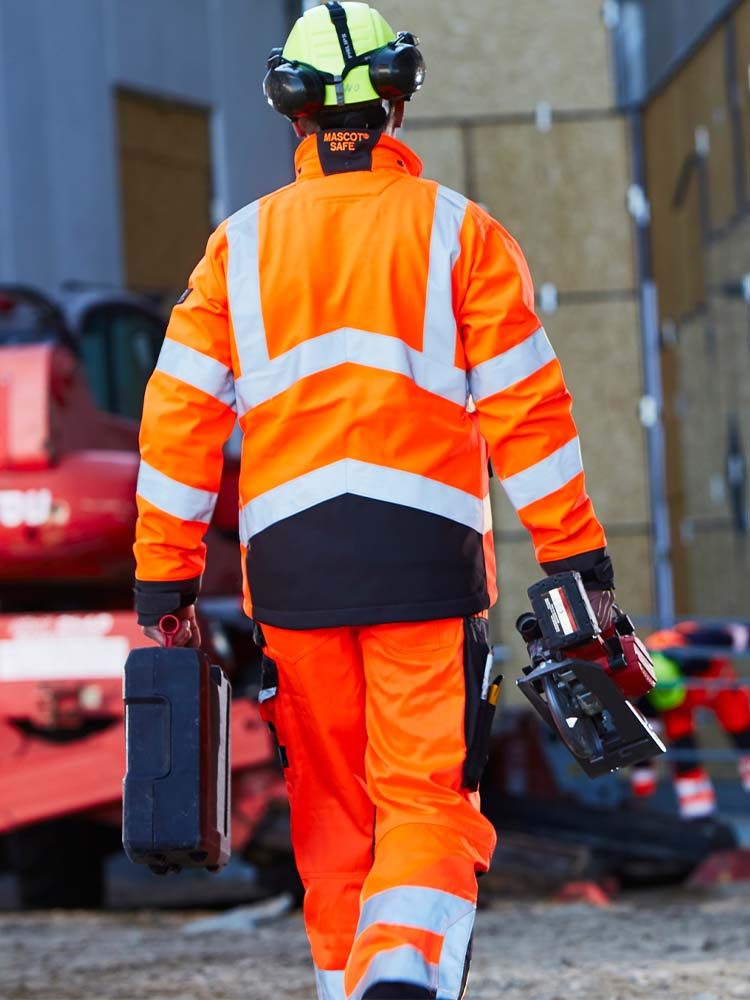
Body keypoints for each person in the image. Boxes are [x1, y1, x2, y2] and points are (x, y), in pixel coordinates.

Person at [133, 4, 615, 997]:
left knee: (334, 817)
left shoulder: (237, 248)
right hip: (425, 564)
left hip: (295, 576)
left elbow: (177, 423)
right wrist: (577, 561)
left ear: (293, 111)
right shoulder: (460, 232)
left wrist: (163, 582)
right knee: (424, 798)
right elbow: (529, 411)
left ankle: (353, 983)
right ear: (395, 102)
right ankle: (403, 965)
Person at [632, 621, 750, 819]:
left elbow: (738, 634)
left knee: (740, 722)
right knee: (681, 742)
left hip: (717, 685)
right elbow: (644, 738)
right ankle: (697, 813)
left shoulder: (702, 645)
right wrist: (642, 787)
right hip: (678, 705)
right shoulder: (648, 686)